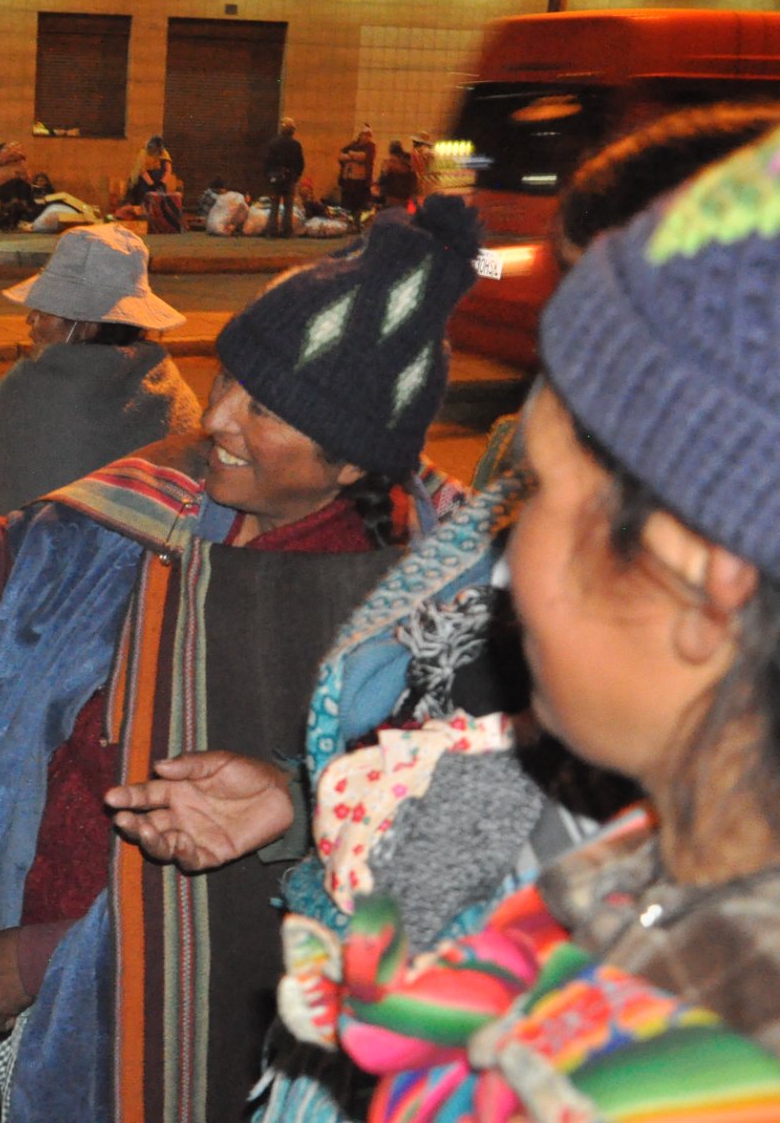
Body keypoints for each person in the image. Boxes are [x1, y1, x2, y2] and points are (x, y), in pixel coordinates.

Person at [0, 200, 483, 1121]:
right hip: (56, 913)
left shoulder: (416, 611)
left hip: (192, 997)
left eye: (265, 409)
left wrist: (44, 958)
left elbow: (377, 846)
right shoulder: (176, 490)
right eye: (227, 383)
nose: (217, 420)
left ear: (351, 465)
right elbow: (23, 564)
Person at [284, 123, 780, 1114]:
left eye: (539, 493)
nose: (500, 573)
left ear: (695, 576)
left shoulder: (651, 1084)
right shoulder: (671, 856)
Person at [0, 223, 200, 515]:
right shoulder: (167, 384)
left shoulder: (28, 391)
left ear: (86, 326)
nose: (31, 319)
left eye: (46, 311)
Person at [264, 116, 305, 238]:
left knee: (274, 205)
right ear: (292, 130)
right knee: (288, 206)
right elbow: (300, 162)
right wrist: (297, 175)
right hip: (289, 178)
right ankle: (287, 231)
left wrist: (268, 175)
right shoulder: (296, 145)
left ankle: (272, 231)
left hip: (276, 178)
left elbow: (268, 161)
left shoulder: (273, 143)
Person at [336, 122, 376, 222]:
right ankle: (346, 222)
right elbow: (341, 156)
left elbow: (363, 157)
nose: (366, 137)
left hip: (360, 181)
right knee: (347, 203)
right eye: (364, 135)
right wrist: (351, 156)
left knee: (358, 204)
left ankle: (356, 222)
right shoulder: (352, 145)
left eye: (368, 135)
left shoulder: (371, 147)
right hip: (348, 180)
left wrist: (350, 155)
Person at [376, 137, 420, 208]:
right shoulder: (406, 159)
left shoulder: (404, 161)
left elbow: (383, 180)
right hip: (398, 195)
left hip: (398, 196)